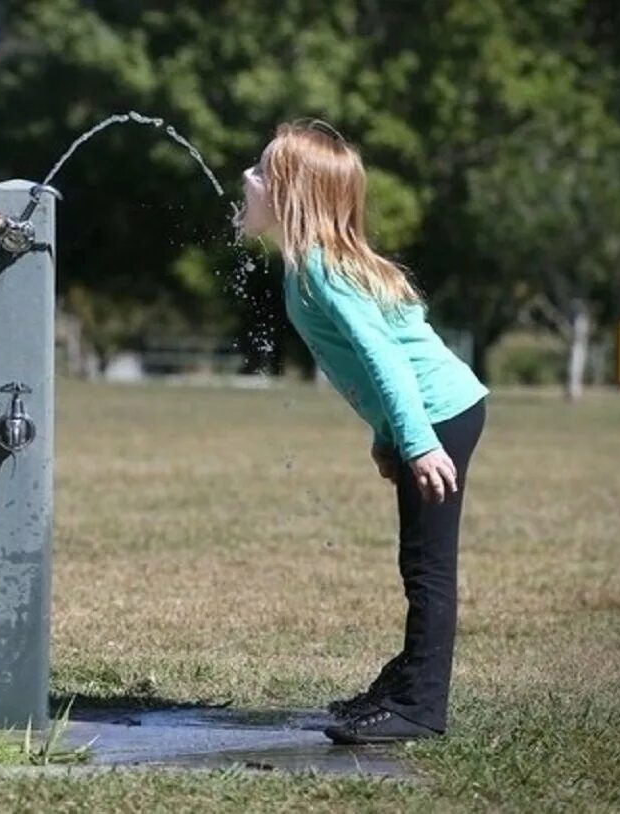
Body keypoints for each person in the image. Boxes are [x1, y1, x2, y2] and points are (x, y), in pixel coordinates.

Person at [237, 121, 488, 745]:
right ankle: (402, 687)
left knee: (428, 568)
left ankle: (420, 708)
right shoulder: (311, 264)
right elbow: (381, 357)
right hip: (428, 418)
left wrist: (418, 441)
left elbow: (386, 359)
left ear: (291, 196)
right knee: (418, 563)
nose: (248, 179)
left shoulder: (321, 267)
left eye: (263, 173)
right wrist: (389, 436)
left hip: (438, 417)